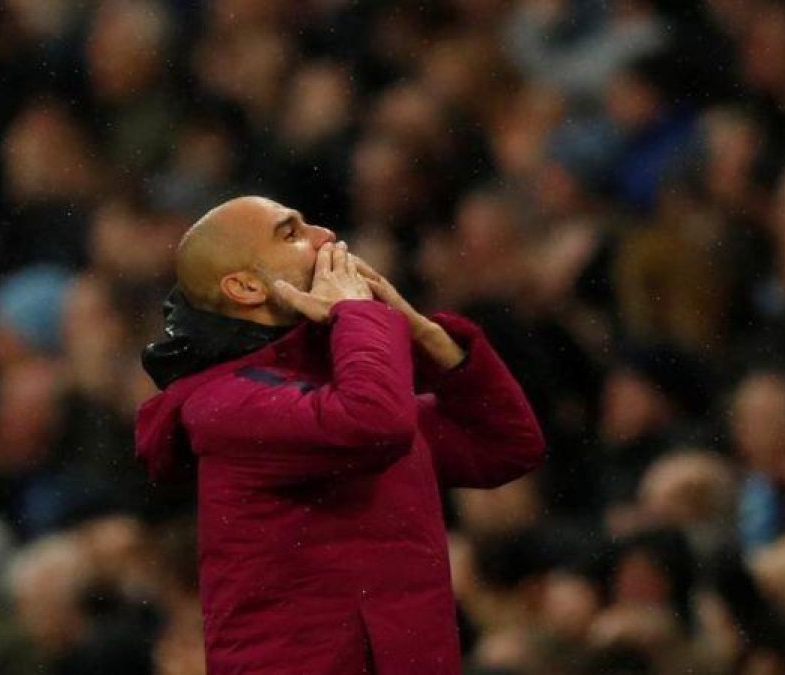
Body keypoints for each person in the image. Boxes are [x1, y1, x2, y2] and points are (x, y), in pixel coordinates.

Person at [133, 196, 546, 674]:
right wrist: (359, 315)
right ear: (245, 286)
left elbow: (506, 444)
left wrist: (424, 332)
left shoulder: (334, 392)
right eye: (291, 233)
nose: (325, 235)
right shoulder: (225, 405)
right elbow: (375, 425)